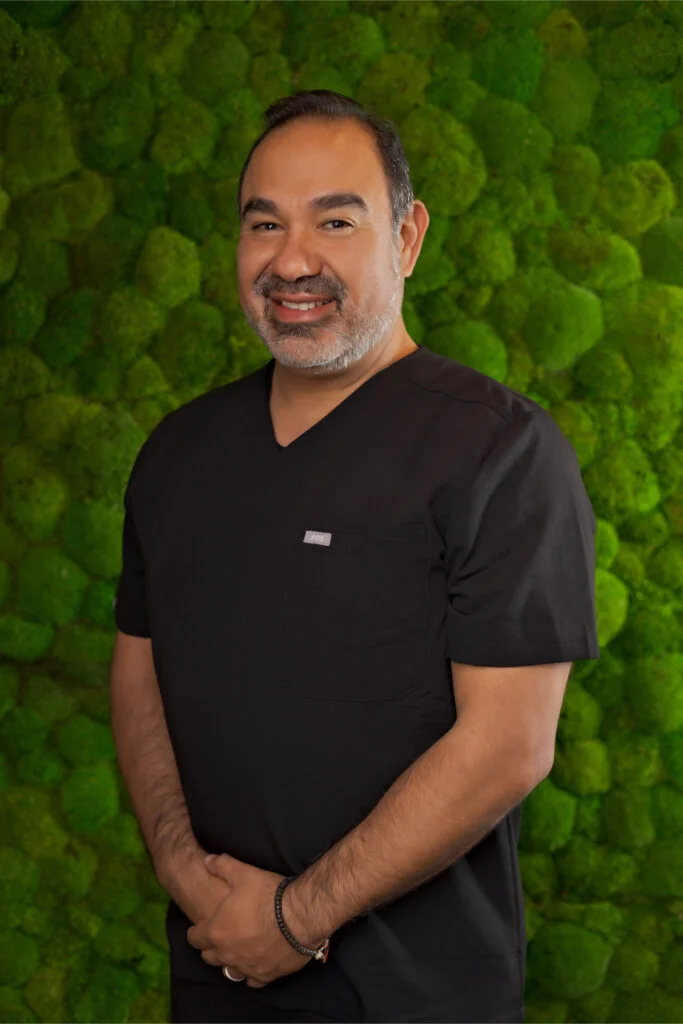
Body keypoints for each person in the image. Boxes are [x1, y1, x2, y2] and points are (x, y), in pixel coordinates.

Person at [110, 90, 600, 1024]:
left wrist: (293, 920)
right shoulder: (178, 452)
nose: (292, 261)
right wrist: (182, 868)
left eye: (335, 220)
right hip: (214, 972)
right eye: (265, 224)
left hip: (417, 996)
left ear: (406, 238)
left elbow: (506, 746)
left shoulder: (500, 454)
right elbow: (139, 671)